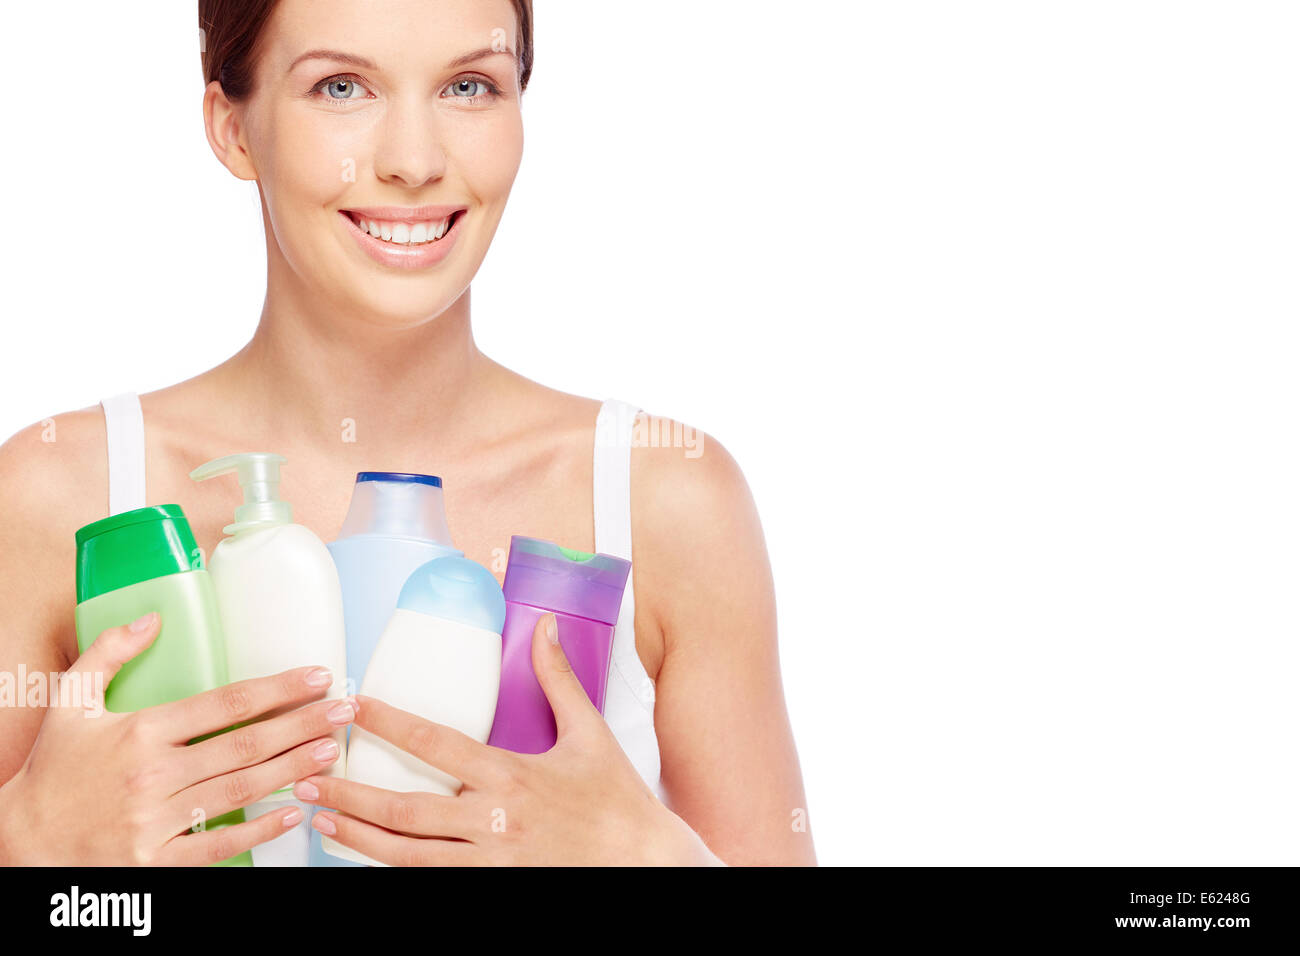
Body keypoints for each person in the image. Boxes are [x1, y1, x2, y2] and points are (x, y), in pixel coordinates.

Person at [0, 0, 814, 866]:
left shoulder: (666, 500)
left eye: (470, 85)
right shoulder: (65, 495)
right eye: (341, 86)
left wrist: (648, 859)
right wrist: (30, 846)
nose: (414, 162)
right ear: (232, 127)